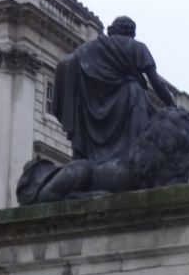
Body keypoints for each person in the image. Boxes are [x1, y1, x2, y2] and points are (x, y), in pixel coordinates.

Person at [51, 15, 175, 164]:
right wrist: (173, 106)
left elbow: (66, 62)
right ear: (131, 33)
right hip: (130, 101)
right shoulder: (137, 47)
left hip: (96, 110)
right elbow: (156, 82)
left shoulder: (94, 46)